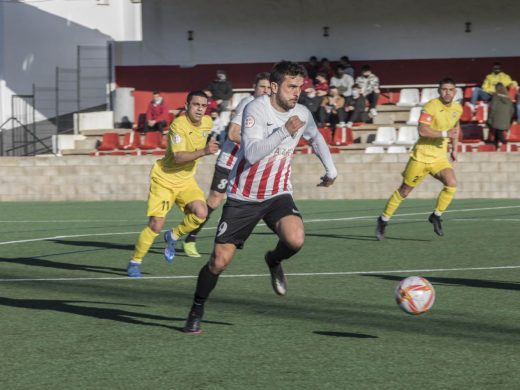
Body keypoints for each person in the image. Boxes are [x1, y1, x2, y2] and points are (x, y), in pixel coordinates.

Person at [183, 61, 338, 333]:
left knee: (295, 239)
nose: (296, 93)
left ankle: (273, 260)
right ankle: (197, 307)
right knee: (219, 262)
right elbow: (252, 153)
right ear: (275, 87)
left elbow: (315, 138)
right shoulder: (255, 108)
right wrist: (284, 131)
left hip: (278, 193)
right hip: (243, 196)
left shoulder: (301, 112)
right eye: (291, 87)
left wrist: (331, 169)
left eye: (299, 88)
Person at [127, 91, 220, 278]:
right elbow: (178, 157)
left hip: (185, 180)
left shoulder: (208, 123)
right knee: (155, 225)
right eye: (196, 105)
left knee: (201, 213)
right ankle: (135, 261)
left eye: (203, 105)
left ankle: (174, 235)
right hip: (164, 179)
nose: (200, 109)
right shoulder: (178, 125)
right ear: (187, 106)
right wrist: (204, 150)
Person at [182, 72, 272, 257]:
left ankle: (232, 239)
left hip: (247, 163)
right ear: (254, 87)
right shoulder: (247, 104)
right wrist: (257, 143)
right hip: (230, 160)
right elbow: (232, 135)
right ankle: (190, 237)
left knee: (250, 201)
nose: (265, 90)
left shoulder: (269, 108)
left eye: (268, 87)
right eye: (261, 86)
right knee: (215, 200)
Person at [375, 78, 462, 240]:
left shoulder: (457, 108)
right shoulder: (430, 106)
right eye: (444, 89)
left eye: (450, 89)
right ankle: (383, 220)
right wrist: (445, 134)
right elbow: (422, 131)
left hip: (439, 157)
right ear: (439, 91)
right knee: (405, 191)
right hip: (420, 157)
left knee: (452, 183)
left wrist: (455, 149)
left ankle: (436, 216)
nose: (447, 92)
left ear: (455, 91)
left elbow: (456, 127)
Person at [487, 83, 514, 150]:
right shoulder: (508, 98)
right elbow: (512, 110)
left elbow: (492, 107)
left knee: (498, 131)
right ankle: (495, 145)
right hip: (506, 119)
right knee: (498, 131)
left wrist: (489, 118)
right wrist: (509, 119)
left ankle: (505, 143)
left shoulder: (496, 96)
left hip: (496, 118)